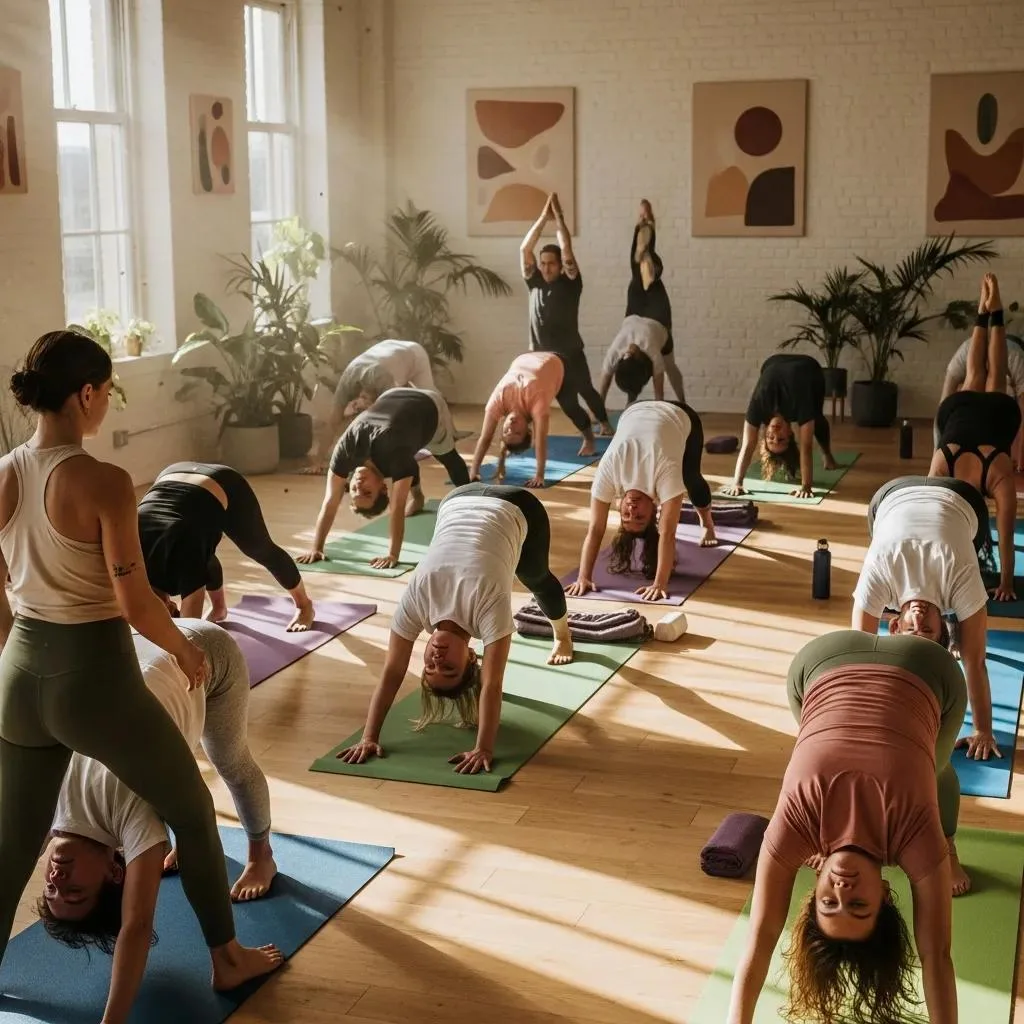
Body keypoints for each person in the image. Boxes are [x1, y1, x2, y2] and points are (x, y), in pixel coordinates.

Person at [0, 331, 281, 997]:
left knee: (12, 849)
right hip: (92, 679)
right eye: (107, 394)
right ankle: (227, 958)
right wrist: (185, 647)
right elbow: (133, 601)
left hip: (18, 681)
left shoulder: (4, 472)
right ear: (87, 394)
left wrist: (13, 647)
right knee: (189, 807)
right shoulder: (104, 480)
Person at [38, 620, 277, 1023]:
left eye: (50, 889)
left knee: (217, 765)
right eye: (74, 892)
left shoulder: (47, 811)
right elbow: (136, 924)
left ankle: (259, 855)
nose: (57, 881)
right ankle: (258, 859)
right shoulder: (137, 822)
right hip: (192, 662)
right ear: (116, 873)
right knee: (219, 770)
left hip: (178, 643)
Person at [726, 630, 965, 1024]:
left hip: (821, 662)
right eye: (857, 905)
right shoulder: (917, 837)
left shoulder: (794, 827)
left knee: (923, 761)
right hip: (927, 665)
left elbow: (762, 935)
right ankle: (948, 825)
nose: (842, 890)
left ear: (814, 893)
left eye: (828, 903)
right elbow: (936, 955)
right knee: (936, 770)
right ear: (886, 894)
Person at [337, 482, 573, 775]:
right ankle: (563, 635)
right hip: (517, 506)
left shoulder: (414, 606)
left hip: (458, 498)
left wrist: (369, 737)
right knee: (535, 578)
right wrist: (483, 747)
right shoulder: (488, 610)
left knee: (532, 575)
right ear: (471, 657)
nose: (436, 661)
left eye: (429, 669)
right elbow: (492, 684)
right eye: (448, 669)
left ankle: (561, 633)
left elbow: (393, 671)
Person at [852, 472, 997, 760]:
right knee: (973, 543)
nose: (918, 621)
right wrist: (983, 729)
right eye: (928, 631)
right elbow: (975, 661)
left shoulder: (880, 578)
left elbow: (858, 660)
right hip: (962, 498)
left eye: (911, 631)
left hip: (891, 494)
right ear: (943, 622)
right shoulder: (960, 579)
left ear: (894, 625)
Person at [297, 387, 469, 570]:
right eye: (366, 492)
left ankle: (471, 501)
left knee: (445, 454)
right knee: (403, 464)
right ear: (384, 488)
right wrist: (317, 548)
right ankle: (419, 498)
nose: (358, 485)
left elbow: (331, 502)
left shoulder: (345, 452)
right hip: (405, 408)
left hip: (427, 403)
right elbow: (397, 507)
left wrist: (392, 555)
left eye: (354, 490)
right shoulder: (397, 457)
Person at [565, 400, 717, 603]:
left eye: (627, 515)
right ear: (655, 509)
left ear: (618, 506)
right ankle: (708, 522)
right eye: (639, 516)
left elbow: (595, 529)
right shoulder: (666, 475)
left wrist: (583, 577)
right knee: (691, 479)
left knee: (691, 480)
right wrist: (660, 583)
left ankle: (706, 522)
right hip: (680, 415)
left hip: (636, 408)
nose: (632, 508)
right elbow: (668, 533)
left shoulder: (609, 471)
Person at [138, 462, 316, 632]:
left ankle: (304, 605)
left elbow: (190, 629)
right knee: (198, 551)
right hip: (173, 475)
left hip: (222, 483)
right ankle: (218, 610)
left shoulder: (184, 555)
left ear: (172, 606)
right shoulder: (125, 570)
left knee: (259, 549)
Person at [929, 273, 1020, 602]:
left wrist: (1006, 581)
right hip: (957, 416)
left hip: (995, 416)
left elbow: (1006, 535)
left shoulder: (998, 478)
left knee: (993, 375)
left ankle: (992, 310)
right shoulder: (944, 473)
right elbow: (928, 517)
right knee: (974, 375)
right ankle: (984, 310)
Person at [520, 191, 614, 438]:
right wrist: (543, 217)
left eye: (551, 263)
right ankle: (586, 431)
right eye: (543, 263)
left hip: (570, 352)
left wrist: (559, 217)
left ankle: (604, 422)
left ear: (561, 266)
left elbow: (567, 248)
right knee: (566, 402)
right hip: (543, 356)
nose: (546, 267)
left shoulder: (571, 283)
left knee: (586, 389)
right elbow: (524, 248)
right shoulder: (535, 282)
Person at [598, 200, 686, 405]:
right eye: (632, 355)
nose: (628, 349)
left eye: (625, 355)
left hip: (634, 311)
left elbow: (602, 389)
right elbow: (658, 397)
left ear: (621, 360)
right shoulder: (653, 354)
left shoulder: (615, 352)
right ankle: (646, 229)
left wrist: (598, 414)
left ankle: (644, 230)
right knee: (651, 278)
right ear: (639, 361)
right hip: (658, 316)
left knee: (637, 271)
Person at [469, 351, 599, 486]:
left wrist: (474, 470)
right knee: (569, 406)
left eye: (506, 431)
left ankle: (589, 439)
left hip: (555, 362)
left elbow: (485, 437)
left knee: (571, 408)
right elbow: (540, 440)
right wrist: (539, 475)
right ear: (528, 430)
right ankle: (589, 437)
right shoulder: (538, 405)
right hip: (548, 365)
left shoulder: (498, 400)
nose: (511, 426)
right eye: (517, 432)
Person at [306, 339, 436, 473]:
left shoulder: (384, 382)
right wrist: (317, 462)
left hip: (414, 353)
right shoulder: (347, 384)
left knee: (431, 398)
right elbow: (332, 422)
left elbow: (394, 424)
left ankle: (450, 433)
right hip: (388, 351)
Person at [722, 353, 838, 500]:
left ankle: (827, 454)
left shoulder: (759, 407)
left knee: (814, 419)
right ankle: (827, 455)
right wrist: (806, 486)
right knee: (816, 416)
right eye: (781, 439)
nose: (775, 433)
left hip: (772, 361)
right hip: (810, 369)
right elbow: (806, 446)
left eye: (770, 438)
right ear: (790, 433)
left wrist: (737, 483)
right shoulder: (800, 408)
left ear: (765, 433)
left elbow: (748, 445)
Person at [937, 327, 1024, 471]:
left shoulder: (1015, 359)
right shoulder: (962, 358)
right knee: (988, 382)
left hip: (1008, 360)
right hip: (973, 360)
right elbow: (943, 405)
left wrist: (1020, 461)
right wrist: (939, 450)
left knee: (987, 382)